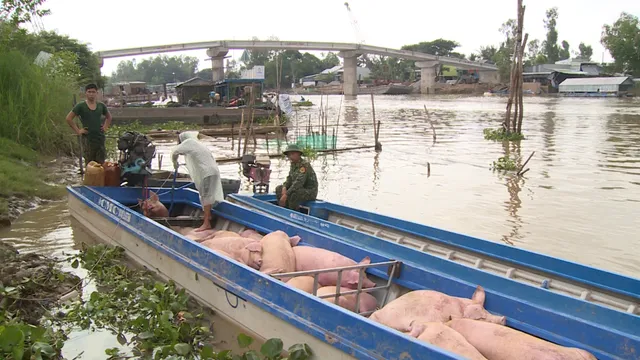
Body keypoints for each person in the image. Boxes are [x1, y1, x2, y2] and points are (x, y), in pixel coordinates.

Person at [171, 131, 223, 231]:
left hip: (206, 172)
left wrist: (175, 163)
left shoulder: (189, 142)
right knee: (208, 195)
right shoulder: (198, 144)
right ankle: (209, 216)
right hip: (213, 171)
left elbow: (175, 152)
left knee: (206, 196)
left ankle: (206, 223)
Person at [66, 83, 112, 165]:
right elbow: (69, 118)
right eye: (89, 92)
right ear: (85, 93)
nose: (91, 94)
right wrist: (78, 131)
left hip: (99, 138)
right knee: (90, 164)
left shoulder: (101, 106)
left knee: (100, 163)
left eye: (93, 92)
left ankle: (100, 178)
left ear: (97, 93)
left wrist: (105, 127)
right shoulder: (81, 106)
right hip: (88, 139)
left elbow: (109, 117)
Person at [275, 144, 318, 211]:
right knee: (279, 188)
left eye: (292, 154)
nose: (290, 156)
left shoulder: (304, 165)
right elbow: (289, 178)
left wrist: (286, 194)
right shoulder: (293, 164)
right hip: (299, 189)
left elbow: (299, 182)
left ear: (298, 154)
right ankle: (283, 209)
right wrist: (284, 187)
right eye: (289, 155)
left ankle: (293, 212)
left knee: (294, 193)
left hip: (309, 192)